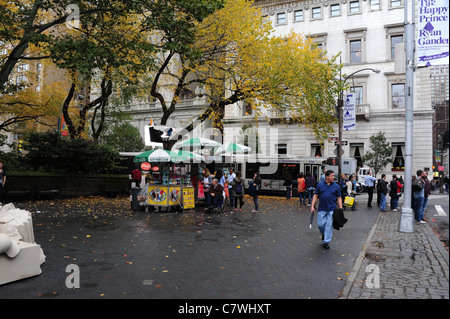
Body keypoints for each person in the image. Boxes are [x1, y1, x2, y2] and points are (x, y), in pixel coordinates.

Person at [310, 170, 343, 250]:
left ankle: (326, 242)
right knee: (320, 225)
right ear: (327, 177)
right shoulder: (320, 185)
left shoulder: (336, 186)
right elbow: (315, 196)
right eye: (332, 176)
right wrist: (312, 206)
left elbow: (339, 198)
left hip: (332, 209)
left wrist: (341, 208)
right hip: (322, 208)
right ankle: (324, 234)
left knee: (329, 225)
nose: (333, 177)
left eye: (333, 175)